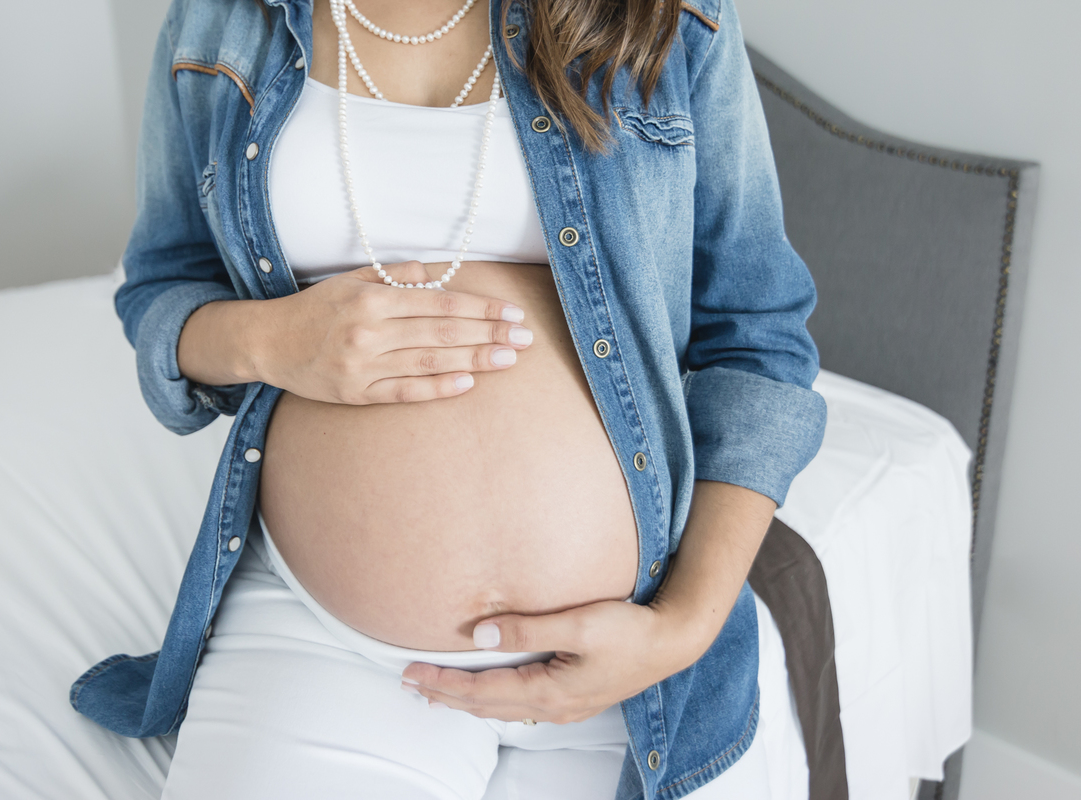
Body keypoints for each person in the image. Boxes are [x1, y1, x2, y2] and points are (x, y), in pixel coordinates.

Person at [70, 0, 826, 797]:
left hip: (633, 650)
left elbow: (756, 334)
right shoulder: (217, 23)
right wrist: (274, 341)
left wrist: (681, 629)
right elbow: (162, 283)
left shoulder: (672, 17)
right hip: (326, 640)